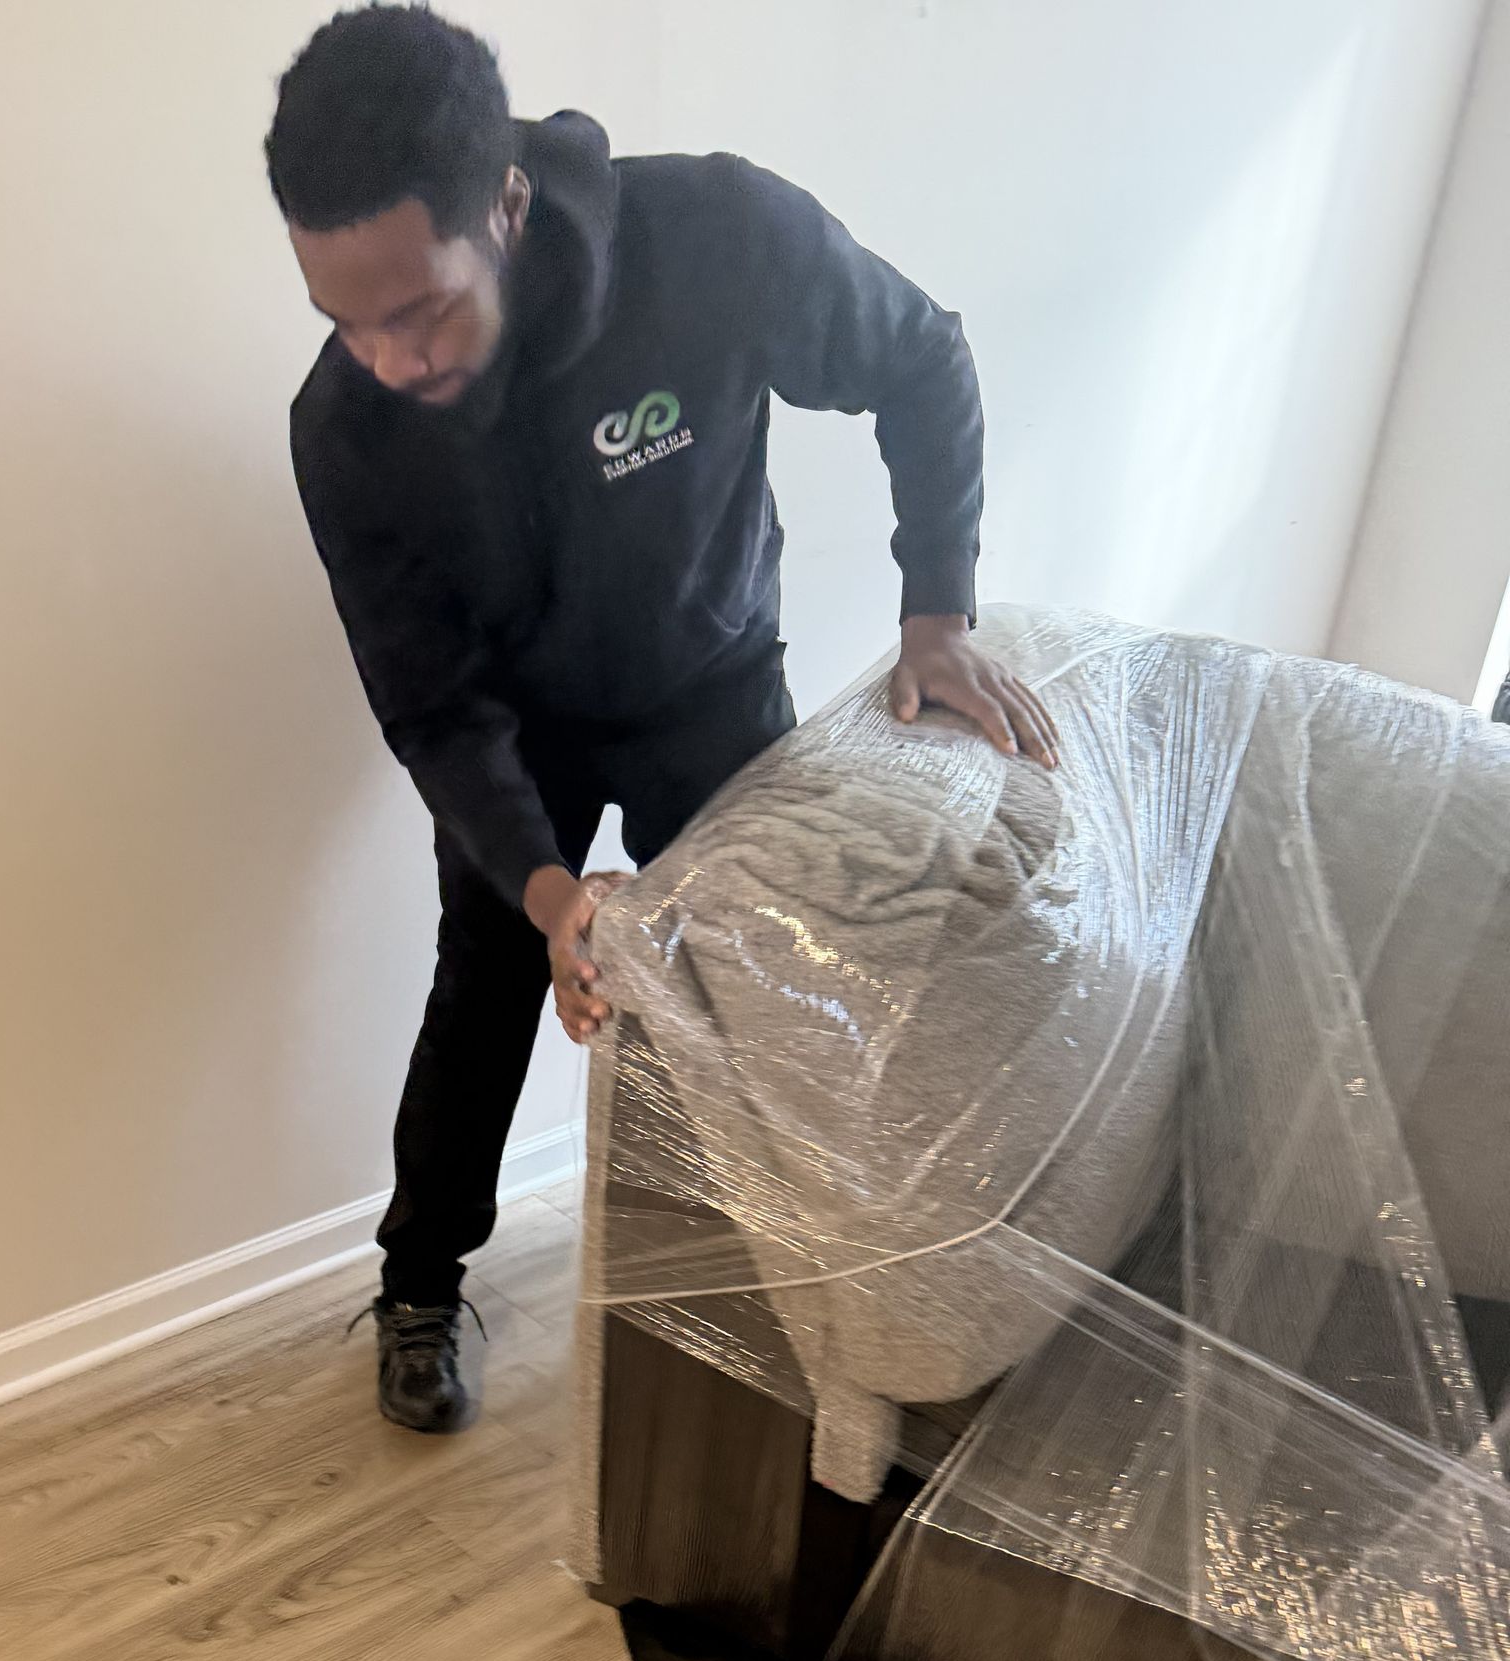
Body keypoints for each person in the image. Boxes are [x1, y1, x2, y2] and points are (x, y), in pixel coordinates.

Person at [266, 4, 1057, 1433]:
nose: (383, 357)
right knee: (488, 994)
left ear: (503, 205)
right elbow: (429, 706)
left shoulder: (716, 238)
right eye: (343, 321)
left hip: (707, 687)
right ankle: (420, 1285)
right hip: (518, 737)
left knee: (765, 990)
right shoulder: (345, 431)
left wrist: (937, 609)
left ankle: (790, 1281)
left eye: (416, 310)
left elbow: (922, 357)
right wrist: (550, 888)